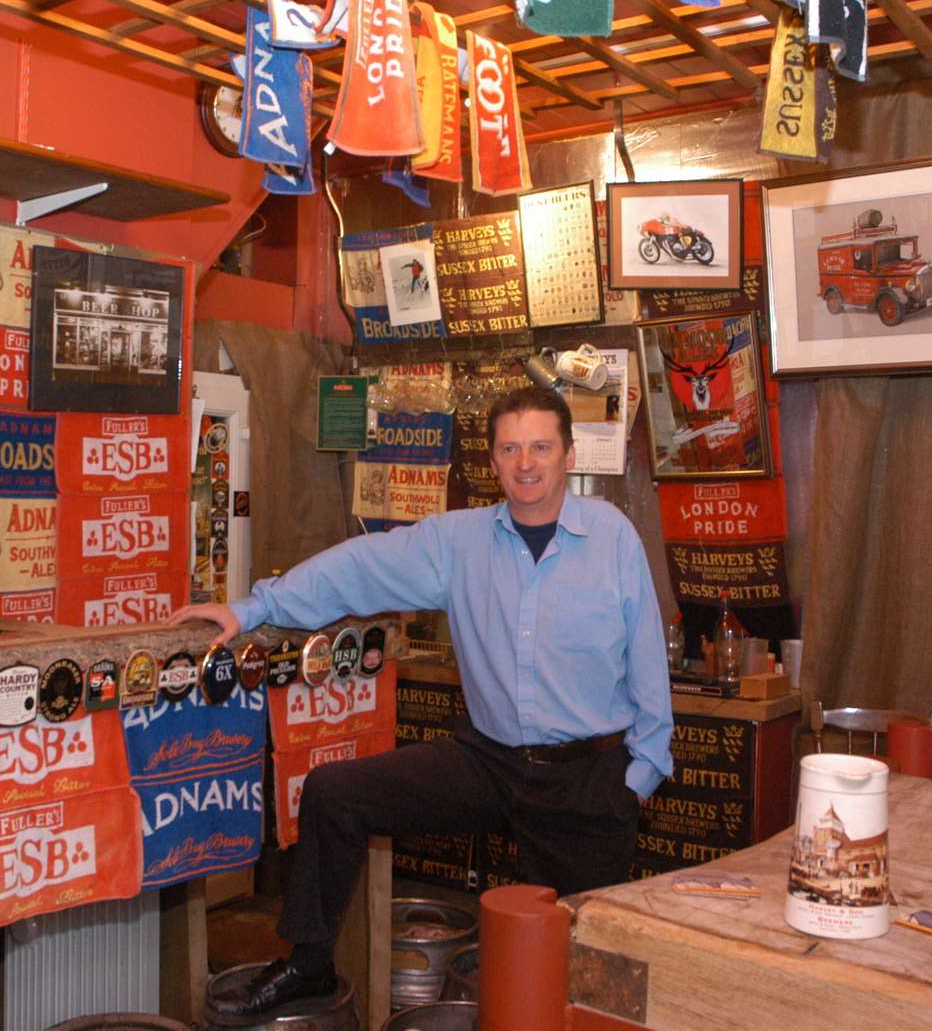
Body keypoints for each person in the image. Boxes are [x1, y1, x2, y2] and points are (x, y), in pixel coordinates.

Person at [167, 385, 672, 1018]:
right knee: (335, 794)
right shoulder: (458, 542)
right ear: (493, 462)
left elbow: (649, 662)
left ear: (569, 455)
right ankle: (310, 962)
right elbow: (359, 566)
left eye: (541, 447)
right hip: (489, 762)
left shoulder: (612, 537)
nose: (526, 463)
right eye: (511, 448)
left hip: (586, 780)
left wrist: (639, 777)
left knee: (573, 970)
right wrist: (254, 607)